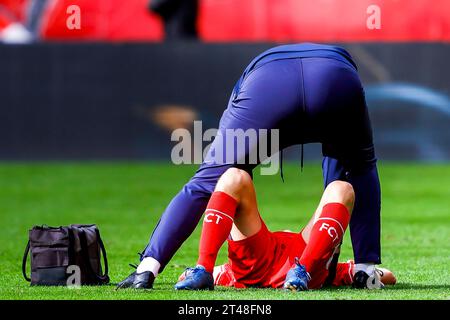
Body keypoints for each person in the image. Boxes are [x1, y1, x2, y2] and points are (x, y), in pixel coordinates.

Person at [117, 43, 382, 290]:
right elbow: (346, 179)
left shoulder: (247, 87)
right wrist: (352, 263)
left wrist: (150, 264)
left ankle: (148, 269)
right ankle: (365, 271)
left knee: (210, 180)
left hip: (268, 81)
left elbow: (209, 187)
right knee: (359, 169)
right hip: (336, 74)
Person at [174, 168, 395, 290]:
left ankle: (203, 269)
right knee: (342, 188)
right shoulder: (338, 272)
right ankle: (303, 272)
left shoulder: (226, 273)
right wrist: (370, 272)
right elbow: (389, 276)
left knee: (234, 177)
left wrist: (205, 272)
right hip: (305, 261)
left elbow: (213, 273)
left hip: (257, 264)